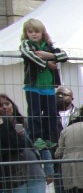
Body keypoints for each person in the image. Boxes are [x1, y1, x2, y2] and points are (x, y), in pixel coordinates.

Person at [0, 94, 55, 193]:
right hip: (14, 174)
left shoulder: (24, 122)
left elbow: (41, 144)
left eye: (7, 104)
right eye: (0, 105)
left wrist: (48, 168)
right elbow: (8, 147)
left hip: (35, 171)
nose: (4, 107)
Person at [19, 19, 69, 152]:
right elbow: (30, 55)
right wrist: (47, 63)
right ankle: (37, 138)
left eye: (37, 31)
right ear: (26, 33)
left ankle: (50, 138)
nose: (33, 34)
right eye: (30, 32)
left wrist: (50, 55)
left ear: (42, 33)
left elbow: (64, 56)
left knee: (51, 114)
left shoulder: (48, 46)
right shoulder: (26, 44)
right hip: (33, 86)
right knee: (35, 113)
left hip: (48, 87)